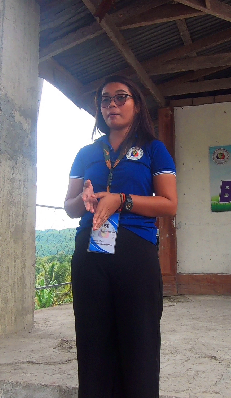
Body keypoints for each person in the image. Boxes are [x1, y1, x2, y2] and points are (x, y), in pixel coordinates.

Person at [63, 75, 177, 397]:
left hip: (136, 256)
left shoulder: (154, 150)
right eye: (104, 99)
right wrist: (83, 199)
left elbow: (169, 204)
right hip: (89, 255)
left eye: (120, 97)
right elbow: (70, 207)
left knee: (139, 340)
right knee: (92, 340)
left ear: (136, 104)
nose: (111, 104)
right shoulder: (86, 153)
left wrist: (121, 199)